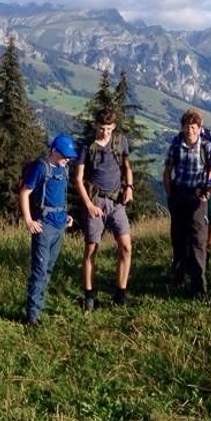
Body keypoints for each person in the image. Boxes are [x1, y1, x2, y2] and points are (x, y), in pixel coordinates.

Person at [74, 109, 134, 310]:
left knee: (126, 247)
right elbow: (78, 179)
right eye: (101, 128)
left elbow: (127, 167)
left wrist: (129, 188)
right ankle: (89, 295)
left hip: (117, 202)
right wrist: (89, 205)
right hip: (96, 202)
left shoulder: (120, 141)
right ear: (95, 126)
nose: (104, 133)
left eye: (108, 129)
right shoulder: (86, 147)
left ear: (113, 127)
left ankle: (120, 293)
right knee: (92, 248)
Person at [162, 109, 211, 297]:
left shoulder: (207, 148)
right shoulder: (176, 147)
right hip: (179, 193)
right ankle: (178, 273)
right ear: (182, 128)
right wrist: (170, 194)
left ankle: (199, 285)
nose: (190, 131)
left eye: (194, 127)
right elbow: (167, 172)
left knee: (198, 239)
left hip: (197, 195)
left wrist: (208, 192)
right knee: (178, 237)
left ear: (199, 128)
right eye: (187, 127)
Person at [20, 134, 78, 326]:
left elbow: (59, 196)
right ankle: (32, 315)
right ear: (54, 151)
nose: (67, 159)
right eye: (65, 155)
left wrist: (66, 216)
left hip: (60, 225)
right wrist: (29, 220)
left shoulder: (64, 169)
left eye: (69, 156)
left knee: (49, 268)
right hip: (44, 226)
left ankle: (38, 307)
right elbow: (25, 192)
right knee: (40, 269)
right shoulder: (41, 167)